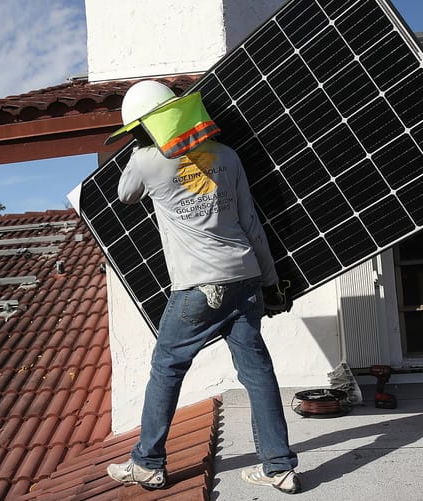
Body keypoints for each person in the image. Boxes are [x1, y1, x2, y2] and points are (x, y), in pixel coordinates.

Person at [104, 80, 300, 494]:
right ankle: (279, 466)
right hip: (244, 277)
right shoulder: (227, 157)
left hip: (198, 287)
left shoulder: (145, 161)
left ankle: (148, 463)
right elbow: (251, 223)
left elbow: (125, 196)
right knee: (257, 372)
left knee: (166, 369)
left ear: (144, 126)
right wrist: (270, 282)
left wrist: (141, 145)